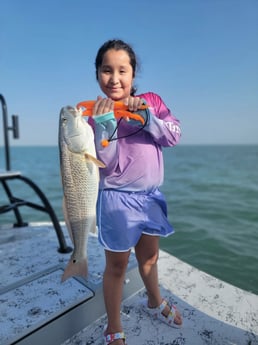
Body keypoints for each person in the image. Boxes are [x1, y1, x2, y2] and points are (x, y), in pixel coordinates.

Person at [90, 39, 183, 345]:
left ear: (132, 73)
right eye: (106, 70)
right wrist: (106, 125)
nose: (114, 78)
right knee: (116, 266)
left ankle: (155, 301)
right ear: (97, 74)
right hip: (117, 199)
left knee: (150, 257)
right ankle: (113, 326)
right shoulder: (95, 114)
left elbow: (173, 136)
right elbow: (107, 164)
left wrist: (146, 119)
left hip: (150, 197)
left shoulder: (152, 101)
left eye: (122, 70)